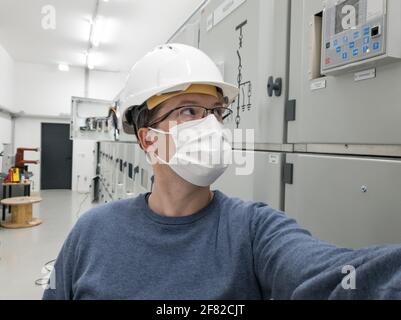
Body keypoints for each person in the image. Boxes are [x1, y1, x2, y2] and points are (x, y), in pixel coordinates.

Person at [43, 44, 401, 300]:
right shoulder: (92, 231)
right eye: (188, 111)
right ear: (147, 139)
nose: (211, 125)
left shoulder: (253, 230)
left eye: (215, 111)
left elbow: (335, 276)